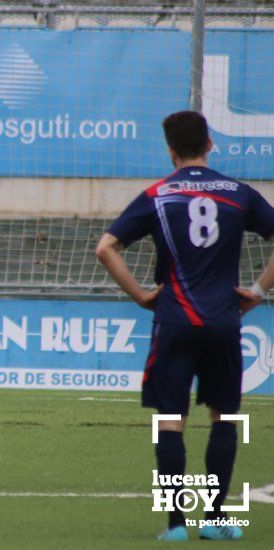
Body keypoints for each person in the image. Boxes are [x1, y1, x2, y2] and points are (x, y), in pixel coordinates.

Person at [96, 111, 274, 542]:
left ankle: (176, 524)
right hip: (223, 321)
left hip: (174, 319)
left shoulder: (158, 194)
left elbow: (106, 248)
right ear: (210, 144)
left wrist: (141, 295)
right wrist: (258, 290)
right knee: (226, 418)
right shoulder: (238, 194)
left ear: (170, 149)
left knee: (170, 420)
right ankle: (214, 520)